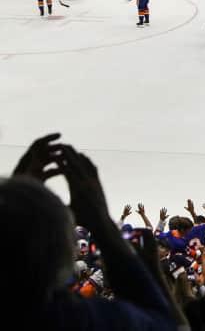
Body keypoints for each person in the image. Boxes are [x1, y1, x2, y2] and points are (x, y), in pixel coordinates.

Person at [3, 133, 177, 329]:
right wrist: (102, 223)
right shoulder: (79, 319)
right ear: (64, 252)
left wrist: (16, 198)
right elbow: (163, 324)